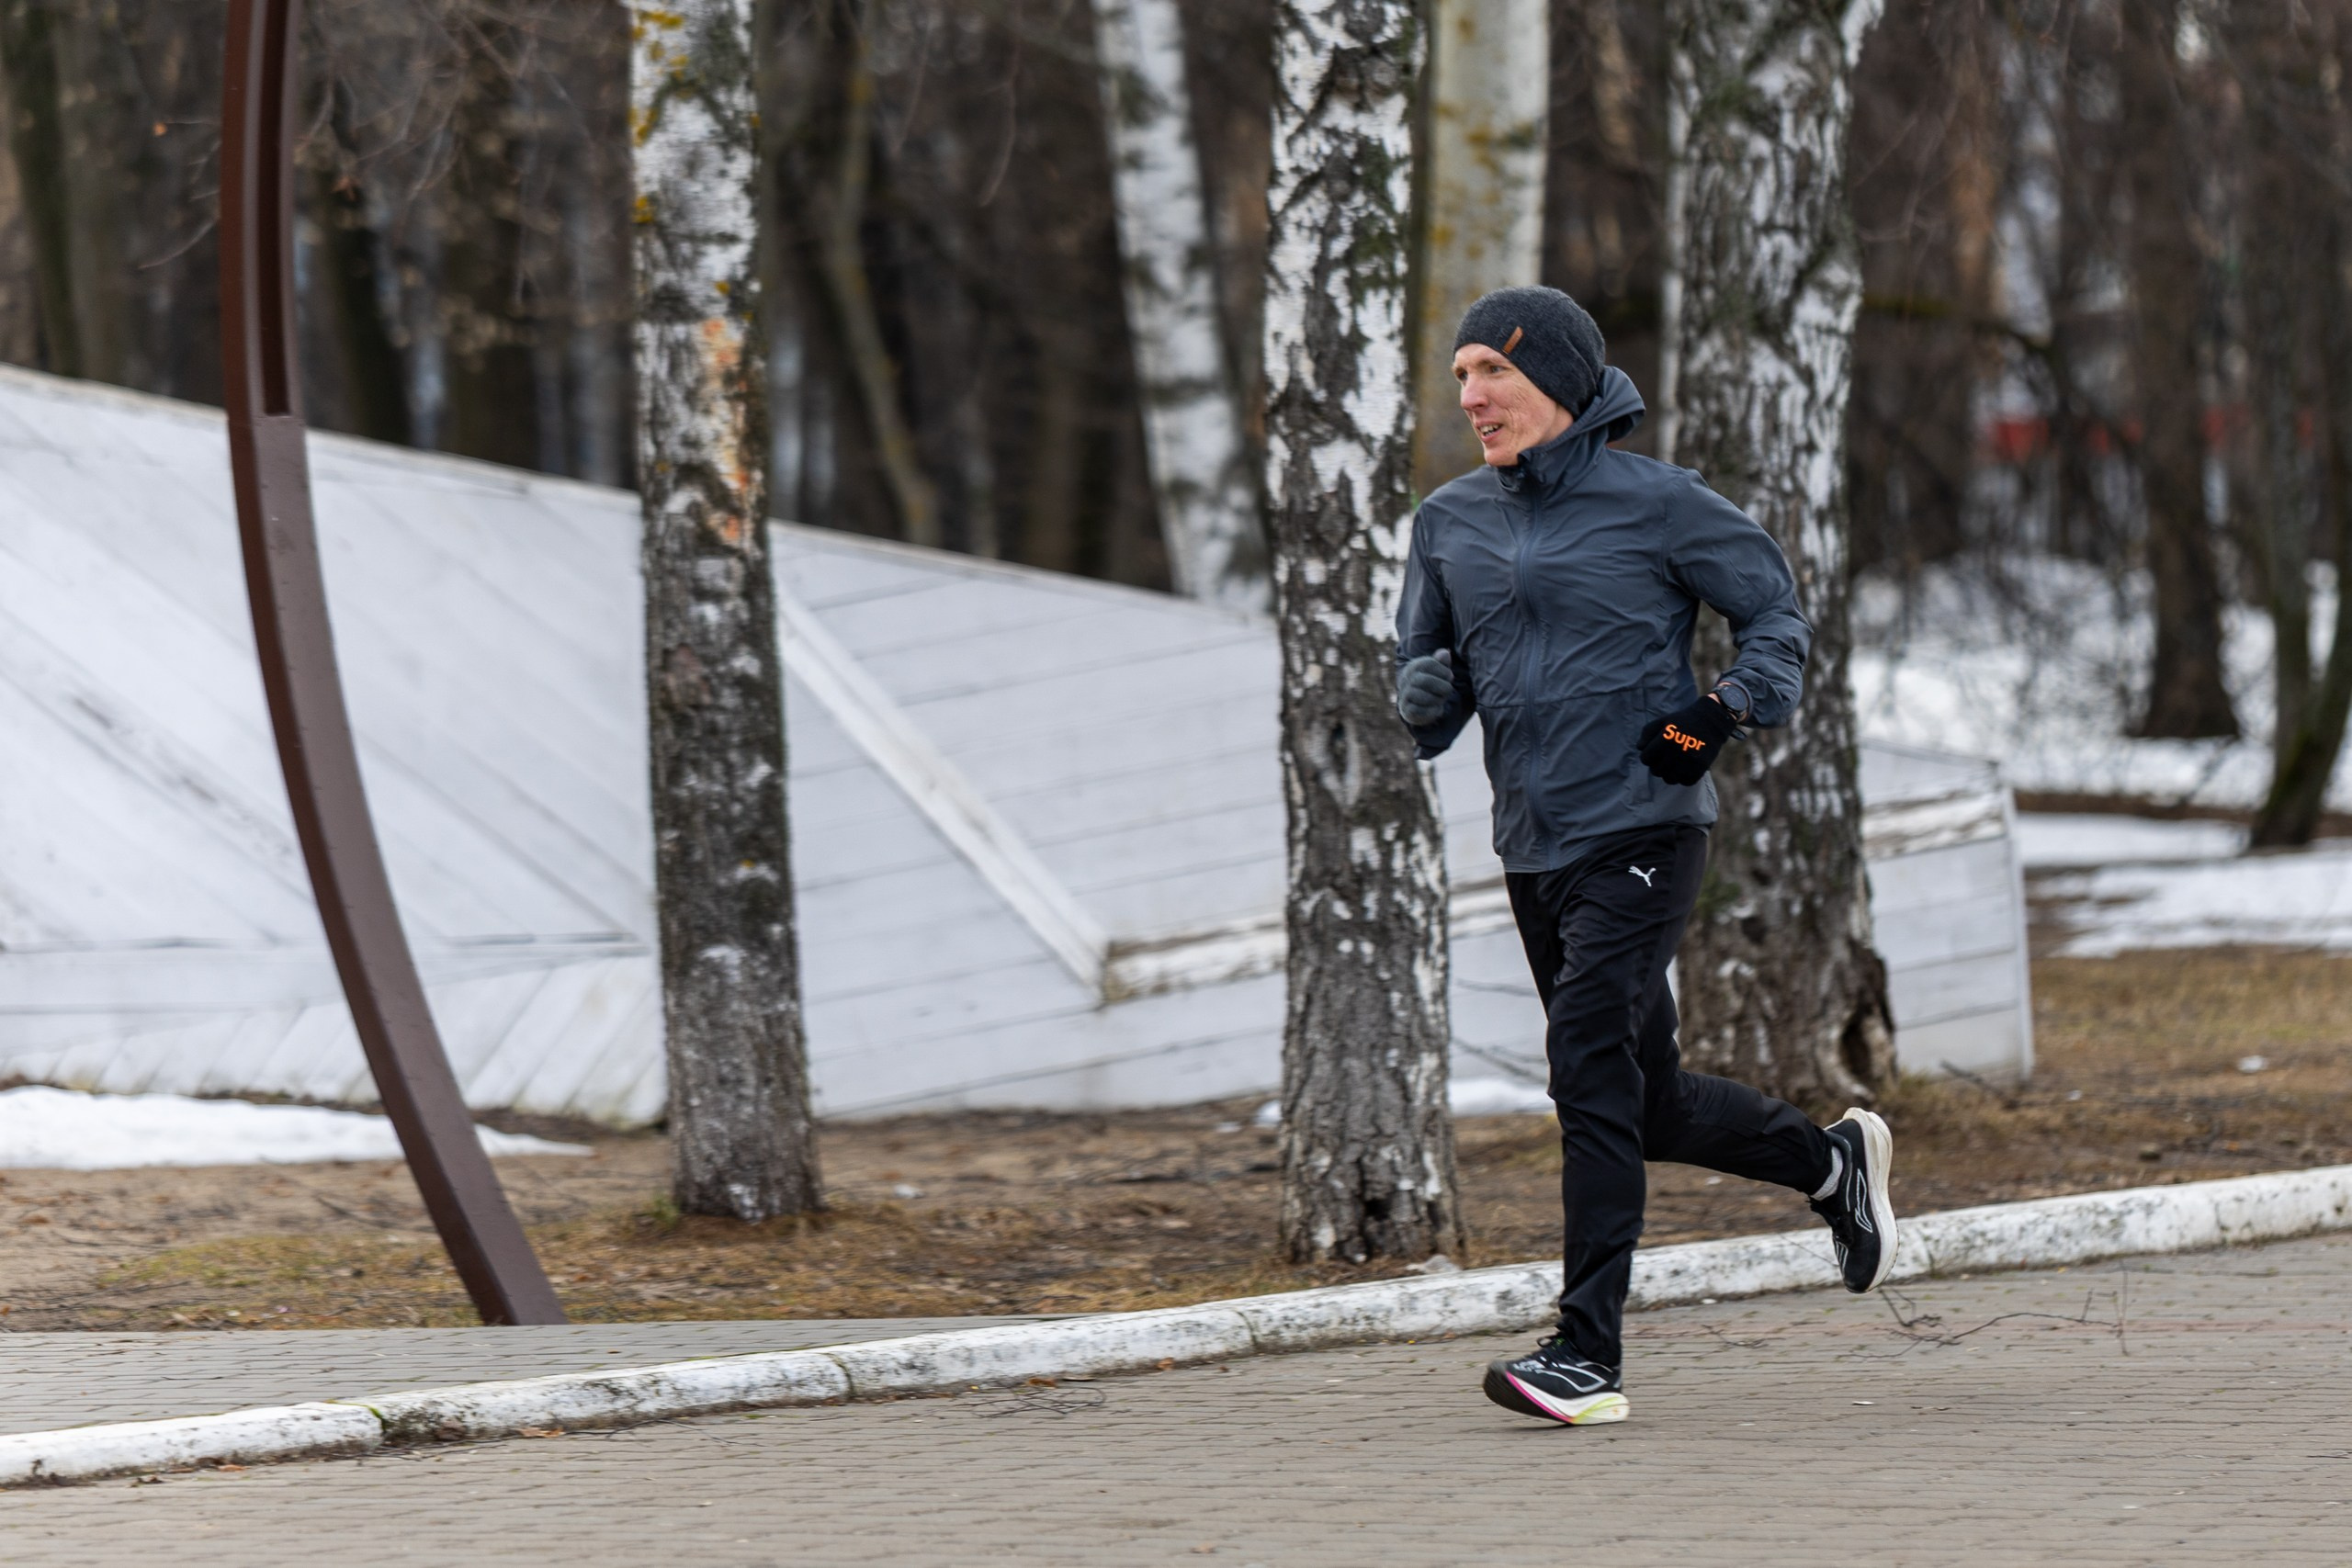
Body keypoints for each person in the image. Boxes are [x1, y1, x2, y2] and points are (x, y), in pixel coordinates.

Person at [1394, 286, 1897, 1427]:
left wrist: (1718, 712)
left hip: (1645, 826)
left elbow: (1777, 619)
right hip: (1533, 842)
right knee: (1647, 1099)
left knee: (1584, 1066)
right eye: (1462, 374)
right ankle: (1829, 1167)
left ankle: (1586, 1352)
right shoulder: (1448, 521)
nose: (1471, 395)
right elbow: (1428, 698)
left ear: (1560, 384)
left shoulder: (1661, 504)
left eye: (1494, 373)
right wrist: (1420, 698)